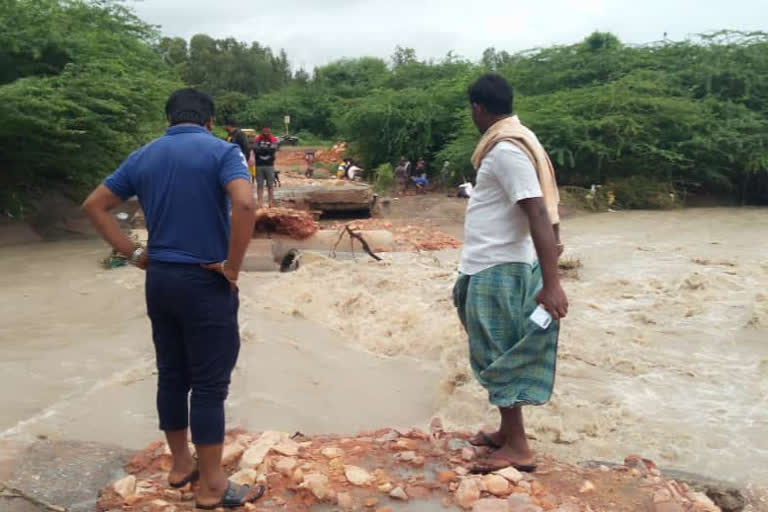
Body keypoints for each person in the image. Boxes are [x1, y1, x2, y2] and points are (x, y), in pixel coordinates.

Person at [81, 89, 262, 509]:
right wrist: (233, 268)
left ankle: (181, 466)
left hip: (159, 278)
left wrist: (133, 253)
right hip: (204, 280)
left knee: (172, 374)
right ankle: (214, 485)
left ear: (168, 119)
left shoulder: (143, 156)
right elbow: (246, 204)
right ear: (210, 121)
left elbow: (95, 206)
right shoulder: (222, 152)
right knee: (210, 385)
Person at [453, 74, 568, 474]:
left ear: (478, 108)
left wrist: (553, 283)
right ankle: (506, 432)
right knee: (494, 347)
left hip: (498, 267)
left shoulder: (505, 150)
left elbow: (536, 209)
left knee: (497, 352)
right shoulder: (516, 142)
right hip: (491, 263)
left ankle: (518, 446)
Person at [254, 127, 278, 208]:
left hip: (269, 165)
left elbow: (273, 150)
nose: (266, 134)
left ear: (270, 132)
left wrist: (262, 149)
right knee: (259, 184)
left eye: (267, 132)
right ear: (262, 132)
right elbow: (255, 150)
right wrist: (267, 149)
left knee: (270, 185)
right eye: (264, 132)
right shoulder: (257, 139)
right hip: (259, 165)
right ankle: (260, 202)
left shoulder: (273, 139)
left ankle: (270, 203)